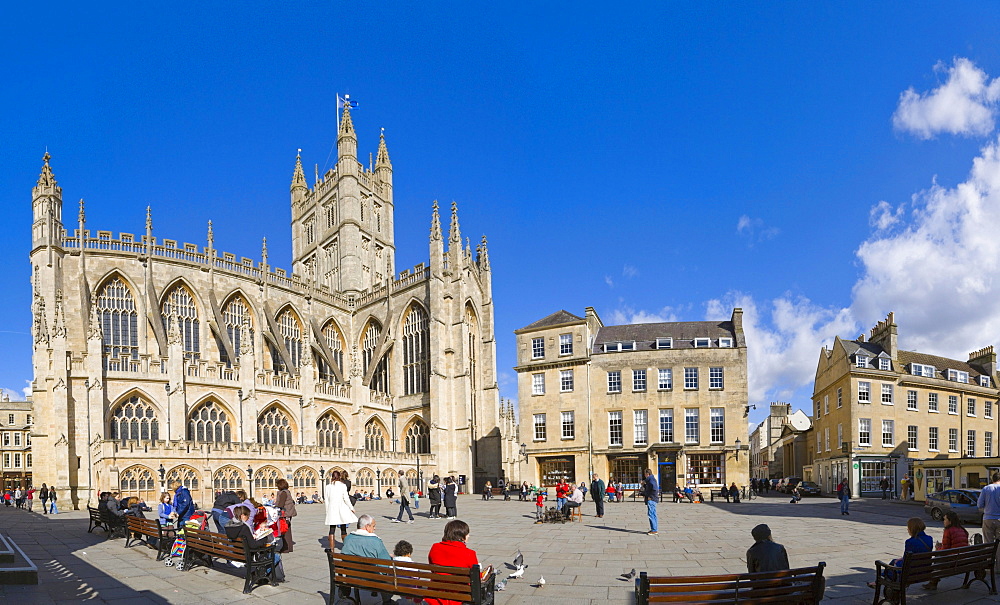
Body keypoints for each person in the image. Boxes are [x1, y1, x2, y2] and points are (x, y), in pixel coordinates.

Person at [426, 520, 488, 605]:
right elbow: (475, 577)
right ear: (462, 537)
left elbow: (432, 567)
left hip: (437, 593)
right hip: (459, 595)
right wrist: (485, 573)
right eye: (467, 534)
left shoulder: (435, 547)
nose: (469, 536)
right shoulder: (469, 553)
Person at [224, 505, 284, 584]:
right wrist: (264, 538)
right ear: (242, 516)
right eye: (247, 516)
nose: (248, 518)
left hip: (238, 553)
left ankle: (259, 573)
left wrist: (252, 537)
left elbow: (244, 538)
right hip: (248, 555)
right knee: (276, 556)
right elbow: (253, 545)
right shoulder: (243, 527)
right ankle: (260, 574)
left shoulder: (229, 525)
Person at [867, 518, 932, 590]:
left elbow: (905, 562)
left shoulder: (910, 541)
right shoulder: (929, 539)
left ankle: (879, 581)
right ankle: (878, 581)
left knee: (893, 564)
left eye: (908, 528)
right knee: (894, 561)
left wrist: (898, 562)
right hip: (924, 570)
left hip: (911, 573)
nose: (907, 530)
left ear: (912, 529)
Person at [341, 515, 393, 604]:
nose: (375, 528)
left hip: (351, 576)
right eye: (373, 526)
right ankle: (387, 601)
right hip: (372, 578)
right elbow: (385, 565)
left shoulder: (348, 539)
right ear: (367, 526)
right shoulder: (376, 541)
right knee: (388, 574)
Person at [923, 511, 970, 590]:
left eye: (945, 519)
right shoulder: (962, 530)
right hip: (962, 559)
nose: (943, 521)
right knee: (939, 556)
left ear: (950, 521)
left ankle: (933, 582)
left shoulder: (948, 531)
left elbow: (945, 551)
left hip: (953, 560)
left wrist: (938, 548)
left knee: (937, 557)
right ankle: (933, 581)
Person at [324, 470, 357, 549]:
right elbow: (346, 498)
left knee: (332, 529)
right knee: (343, 528)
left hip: (332, 508)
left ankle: (332, 550)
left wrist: (327, 511)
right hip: (341, 507)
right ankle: (345, 547)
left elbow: (327, 500)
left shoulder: (328, 487)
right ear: (339, 477)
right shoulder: (342, 485)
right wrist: (351, 508)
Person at [977, 470, 1000, 570]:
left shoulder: (986, 489)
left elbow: (979, 505)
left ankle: (989, 566)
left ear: (992, 479)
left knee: (988, 543)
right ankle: (998, 567)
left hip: (988, 518)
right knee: (999, 544)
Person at [392, 539, 422, 604]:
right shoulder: (413, 565)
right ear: (408, 554)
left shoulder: (392, 563)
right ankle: (417, 602)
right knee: (417, 584)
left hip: (396, 585)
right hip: (410, 587)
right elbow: (417, 577)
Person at [642, 469, 659, 535]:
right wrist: (644, 485)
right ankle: (654, 529)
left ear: (647, 474)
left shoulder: (651, 480)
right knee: (653, 514)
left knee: (651, 514)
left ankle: (654, 530)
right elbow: (649, 488)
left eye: (645, 474)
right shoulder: (650, 480)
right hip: (653, 499)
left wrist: (651, 497)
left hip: (652, 499)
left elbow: (654, 489)